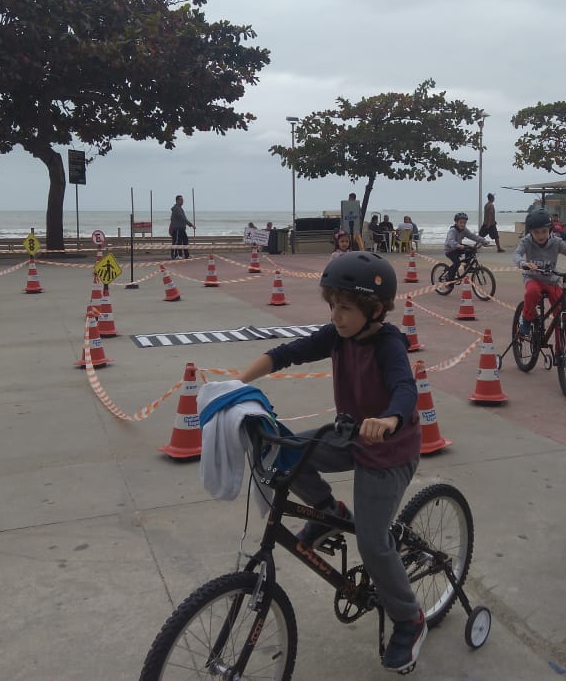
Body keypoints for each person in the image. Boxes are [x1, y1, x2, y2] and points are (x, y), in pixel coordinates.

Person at [236, 252, 427, 673]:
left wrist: (390, 419)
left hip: (389, 450)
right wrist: (236, 385)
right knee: (285, 452)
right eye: (332, 306)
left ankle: (409, 619)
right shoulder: (337, 335)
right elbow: (287, 353)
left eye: (345, 307)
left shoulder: (389, 344)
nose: (335, 316)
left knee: (373, 544)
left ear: (374, 310)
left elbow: (404, 388)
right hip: (349, 436)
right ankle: (330, 513)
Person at [513, 209, 566, 336]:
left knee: (561, 314)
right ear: (530, 232)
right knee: (532, 292)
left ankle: (562, 346)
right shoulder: (526, 241)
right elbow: (516, 254)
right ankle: (526, 320)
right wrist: (523, 263)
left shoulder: (556, 242)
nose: (541, 236)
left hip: (552, 281)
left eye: (544, 231)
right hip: (533, 278)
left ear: (550, 230)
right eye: (536, 232)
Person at [443, 212, 485, 278]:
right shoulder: (452, 231)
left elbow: (472, 236)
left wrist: (483, 240)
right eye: (461, 222)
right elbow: (450, 241)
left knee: (471, 250)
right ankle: (450, 278)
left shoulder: (464, 230)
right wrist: (458, 245)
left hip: (458, 248)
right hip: (450, 250)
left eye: (464, 223)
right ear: (456, 222)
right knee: (457, 263)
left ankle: (467, 266)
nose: (463, 224)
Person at [169, 195, 194, 260]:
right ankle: (175, 255)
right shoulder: (176, 208)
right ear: (177, 200)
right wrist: (191, 225)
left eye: (183, 200)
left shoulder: (180, 208)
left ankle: (186, 255)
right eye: (181, 200)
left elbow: (183, 218)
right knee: (177, 242)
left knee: (185, 241)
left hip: (182, 228)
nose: (182, 201)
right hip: (177, 229)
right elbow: (183, 218)